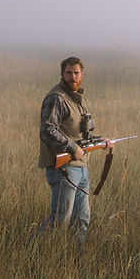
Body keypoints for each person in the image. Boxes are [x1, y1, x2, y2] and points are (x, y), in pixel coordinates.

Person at [33, 55, 111, 244]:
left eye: (76, 73)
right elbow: (47, 130)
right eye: (69, 73)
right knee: (60, 219)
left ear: (82, 74)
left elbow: (81, 134)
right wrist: (71, 147)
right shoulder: (57, 98)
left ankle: (76, 255)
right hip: (64, 168)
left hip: (81, 167)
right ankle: (32, 248)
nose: (73, 77)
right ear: (62, 74)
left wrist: (101, 141)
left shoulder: (77, 99)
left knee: (82, 218)